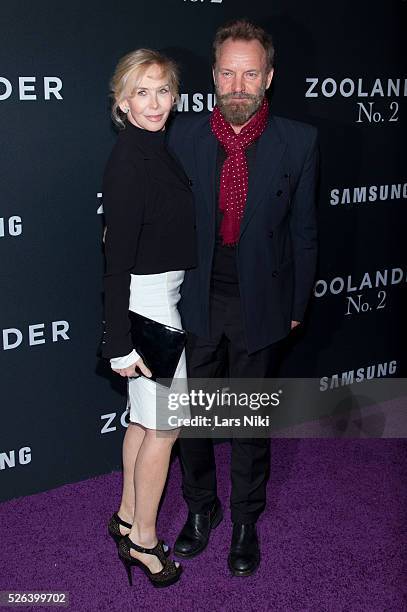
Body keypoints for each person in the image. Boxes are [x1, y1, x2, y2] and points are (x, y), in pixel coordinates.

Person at [167, 19, 319, 576]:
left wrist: (298, 303)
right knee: (198, 418)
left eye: (249, 73)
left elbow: (305, 232)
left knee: (251, 421)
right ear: (213, 75)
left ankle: (246, 521)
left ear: (269, 78)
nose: (237, 85)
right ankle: (201, 510)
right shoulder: (182, 137)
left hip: (263, 298)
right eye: (227, 73)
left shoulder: (299, 141)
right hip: (198, 296)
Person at [100, 48, 196, 587]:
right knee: (165, 427)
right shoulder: (131, 163)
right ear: (122, 101)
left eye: (163, 90)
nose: (154, 102)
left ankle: (124, 515)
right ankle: (144, 542)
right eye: (142, 91)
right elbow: (115, 264)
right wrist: (120, 342)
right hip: (149, 305)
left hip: (159, 297)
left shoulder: (154, 148)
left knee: (142, 421)